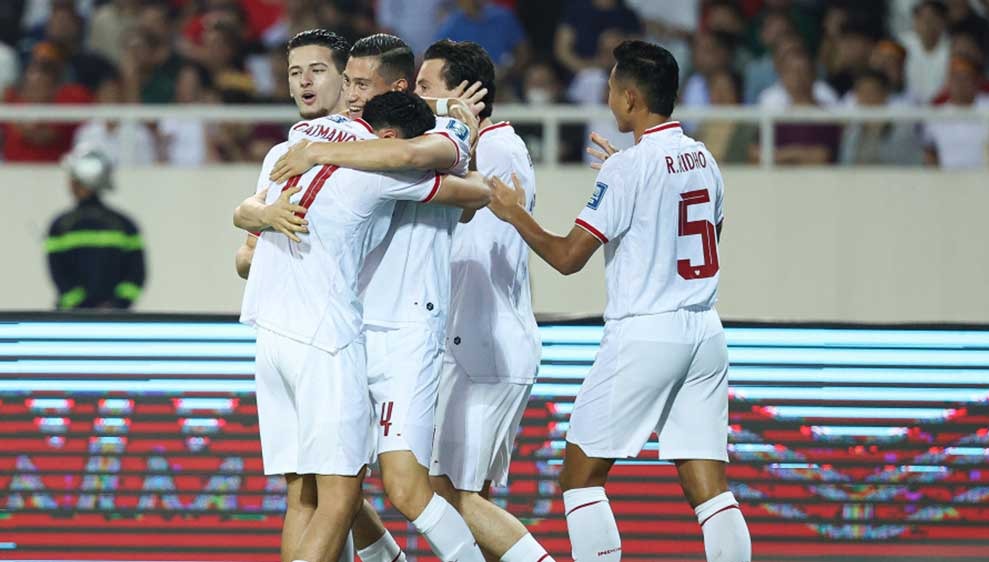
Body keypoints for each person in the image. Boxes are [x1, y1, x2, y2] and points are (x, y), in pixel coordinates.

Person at [486, 40, 752, 562]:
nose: (607, 96)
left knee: (580, 476)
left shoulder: (628, 170)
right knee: (710, 488)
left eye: (610, 87)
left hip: (645, 333)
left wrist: (514, 213)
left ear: (630, 98)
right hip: (705, 331)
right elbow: (708, 232)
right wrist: (625, 178)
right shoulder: (702, 157)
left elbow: (567, 257)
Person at [255, 32, 492, 562]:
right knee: (327, 491)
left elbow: (476, 193)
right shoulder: (335, 152)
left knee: (391, 488)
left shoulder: (394, 144)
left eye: (361, 81)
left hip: (401, 329)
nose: (353, 91)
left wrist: (318, 155)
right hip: (343, 332)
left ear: (398, 87)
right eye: (351, 81)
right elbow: (246, 247)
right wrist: (255, 215)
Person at [412, 39, 555, 562]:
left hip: (480, 345)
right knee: (462, 493)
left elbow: (471, 232)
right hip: (482, 341)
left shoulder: (492, 150)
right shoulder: (492, 147)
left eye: (426, 88)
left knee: (446, 493)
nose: (416, 97)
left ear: (468, 95)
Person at [47, 144, 145, 310]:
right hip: (115, 322)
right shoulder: (125, 224)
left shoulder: (60, 226)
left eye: (74, 179)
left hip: (69, 321)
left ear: (84, 183)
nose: (70, 184)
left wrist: (81, 306)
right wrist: (117, 305)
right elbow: (136, 275)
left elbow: (59, 275)